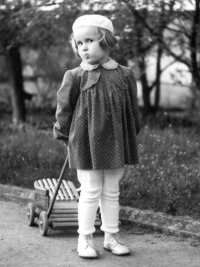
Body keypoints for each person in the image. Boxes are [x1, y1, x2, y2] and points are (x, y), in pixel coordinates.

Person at [53, 14, 140, 259]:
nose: (84, 47)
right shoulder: (76, 75)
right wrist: (63, 135)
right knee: (90, 190)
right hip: (85, 141)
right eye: (79, 43)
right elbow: (64, 109)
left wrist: (130, 135)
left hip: (116, 141)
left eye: (89, 40)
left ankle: (111, 237)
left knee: (111, 190)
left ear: (106, 40)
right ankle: (85, 239)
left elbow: (133, 110)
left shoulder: (124, 74)